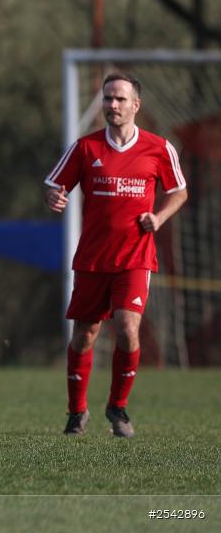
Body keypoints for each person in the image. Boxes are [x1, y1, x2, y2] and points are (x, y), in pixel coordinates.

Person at [45, 72, 187, 438]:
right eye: (108, 98)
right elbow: (54, 185)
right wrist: (54, 197)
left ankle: (118, 407)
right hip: (93, 257)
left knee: (127, 327)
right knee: (85, 335)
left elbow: (179, 192)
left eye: (120, 99)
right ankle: (77, 412)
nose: (113, 105)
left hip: (135, 256)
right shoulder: (85, 148)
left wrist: (158, 217)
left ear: (136, 105)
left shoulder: (159, 148)